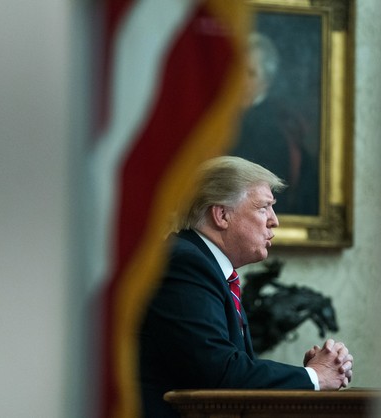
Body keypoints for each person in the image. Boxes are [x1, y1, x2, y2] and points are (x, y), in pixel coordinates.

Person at [138, 156, 353, 417]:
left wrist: (306, 375)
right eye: (264, 207)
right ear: (222, 215)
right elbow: (220, 373)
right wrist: (314, 377)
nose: (274, 221)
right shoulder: (185, 263)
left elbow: (233, 369)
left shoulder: (208, 267)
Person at [230, 32, 319, 215]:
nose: (241, 81)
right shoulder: (227, 119)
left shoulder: (271, 130)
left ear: (266, 82)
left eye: (251, 73)